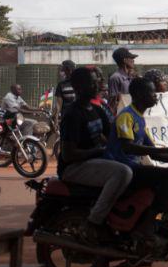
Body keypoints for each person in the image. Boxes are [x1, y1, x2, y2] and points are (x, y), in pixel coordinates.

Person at [57, 67, 134, 244]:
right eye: (91, 82)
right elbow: (68, 155)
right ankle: (94, 221)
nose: (97, 85)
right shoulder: (73, 114)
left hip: (93, 161)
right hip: (73, 167)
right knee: (122, 172)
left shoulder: (95, 109)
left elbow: (113, 136)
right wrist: (98, 151)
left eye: (97, 81)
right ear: (78, 87)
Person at [105, 77, 168, 239]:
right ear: (140, 95)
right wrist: (166, 149)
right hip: (123, 168)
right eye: (152, 92)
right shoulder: (126, 116)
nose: (155, 96)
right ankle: (148, 224)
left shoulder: (139, 118)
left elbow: (154, 152)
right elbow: (128, 147)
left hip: (133, 167)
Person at [108, 47, 138, 115]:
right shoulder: (115, 78)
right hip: (122, 115)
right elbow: (112, 102)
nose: (133, 61)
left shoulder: (131, 76)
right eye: (131, 58)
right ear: (125, 60)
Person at [52, 59, 77, 126]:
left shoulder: (79, 82)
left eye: (64, 69)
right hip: (66, 117)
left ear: (69, 70)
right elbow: (59, 104)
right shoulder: (61, 85)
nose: (63, 71)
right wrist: (56, 118)